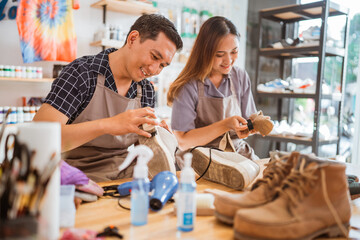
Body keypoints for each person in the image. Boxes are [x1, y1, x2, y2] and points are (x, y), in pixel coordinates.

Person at [34, 14, 183, 182]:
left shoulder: (146, 90)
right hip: (73, 178)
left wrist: (157, 139)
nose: (154, 69)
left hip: (123, 177)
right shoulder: (82, 74)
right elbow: (39, 137)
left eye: (163, 65)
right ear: (133, 39)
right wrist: (109, 125)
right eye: (155, 57)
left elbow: (141, 150)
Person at [167, 16, 259, 161]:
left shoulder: (240, 77)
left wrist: (255, 125)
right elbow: (183, 141)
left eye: (234, 52)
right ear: (205, 52)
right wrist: (226, 125)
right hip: (201, 161)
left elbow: (249, 120)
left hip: (237, 154)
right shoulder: (188, 86)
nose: (228, 60)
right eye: (220, 54)